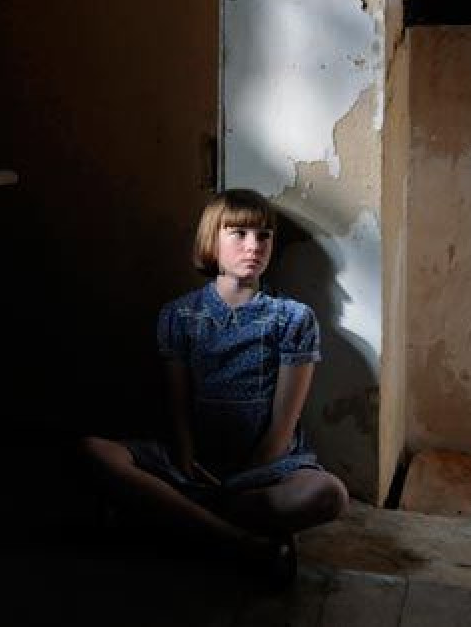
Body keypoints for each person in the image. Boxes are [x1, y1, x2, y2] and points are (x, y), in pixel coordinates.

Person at [81, 188, 348, 586]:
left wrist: (249, 474)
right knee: (92, 451)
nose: (253, 245)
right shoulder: (180, 315)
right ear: (212, 240)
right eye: (238, 233)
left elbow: (282, 424)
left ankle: (179, 517)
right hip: (194, 463)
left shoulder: (292, 318)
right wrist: (187, 462)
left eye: (263, 235)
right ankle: (239, 542)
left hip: (265, 469)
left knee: (330, 495)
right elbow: (178, 406)